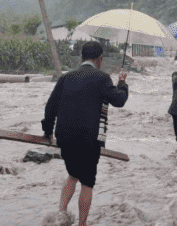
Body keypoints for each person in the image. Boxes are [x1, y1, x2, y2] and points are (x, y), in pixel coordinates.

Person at [41, 41, 129, 226]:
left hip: (64, 136)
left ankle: (61, 214)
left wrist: (48, 132)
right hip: (89, 139)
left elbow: (51, 107)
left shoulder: (66, 77)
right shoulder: (102, 78)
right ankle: (82, 224)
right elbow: (119, 100)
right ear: (99, 59)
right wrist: (122, 82)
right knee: (87, 182)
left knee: (73, 174)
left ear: (82, 57)